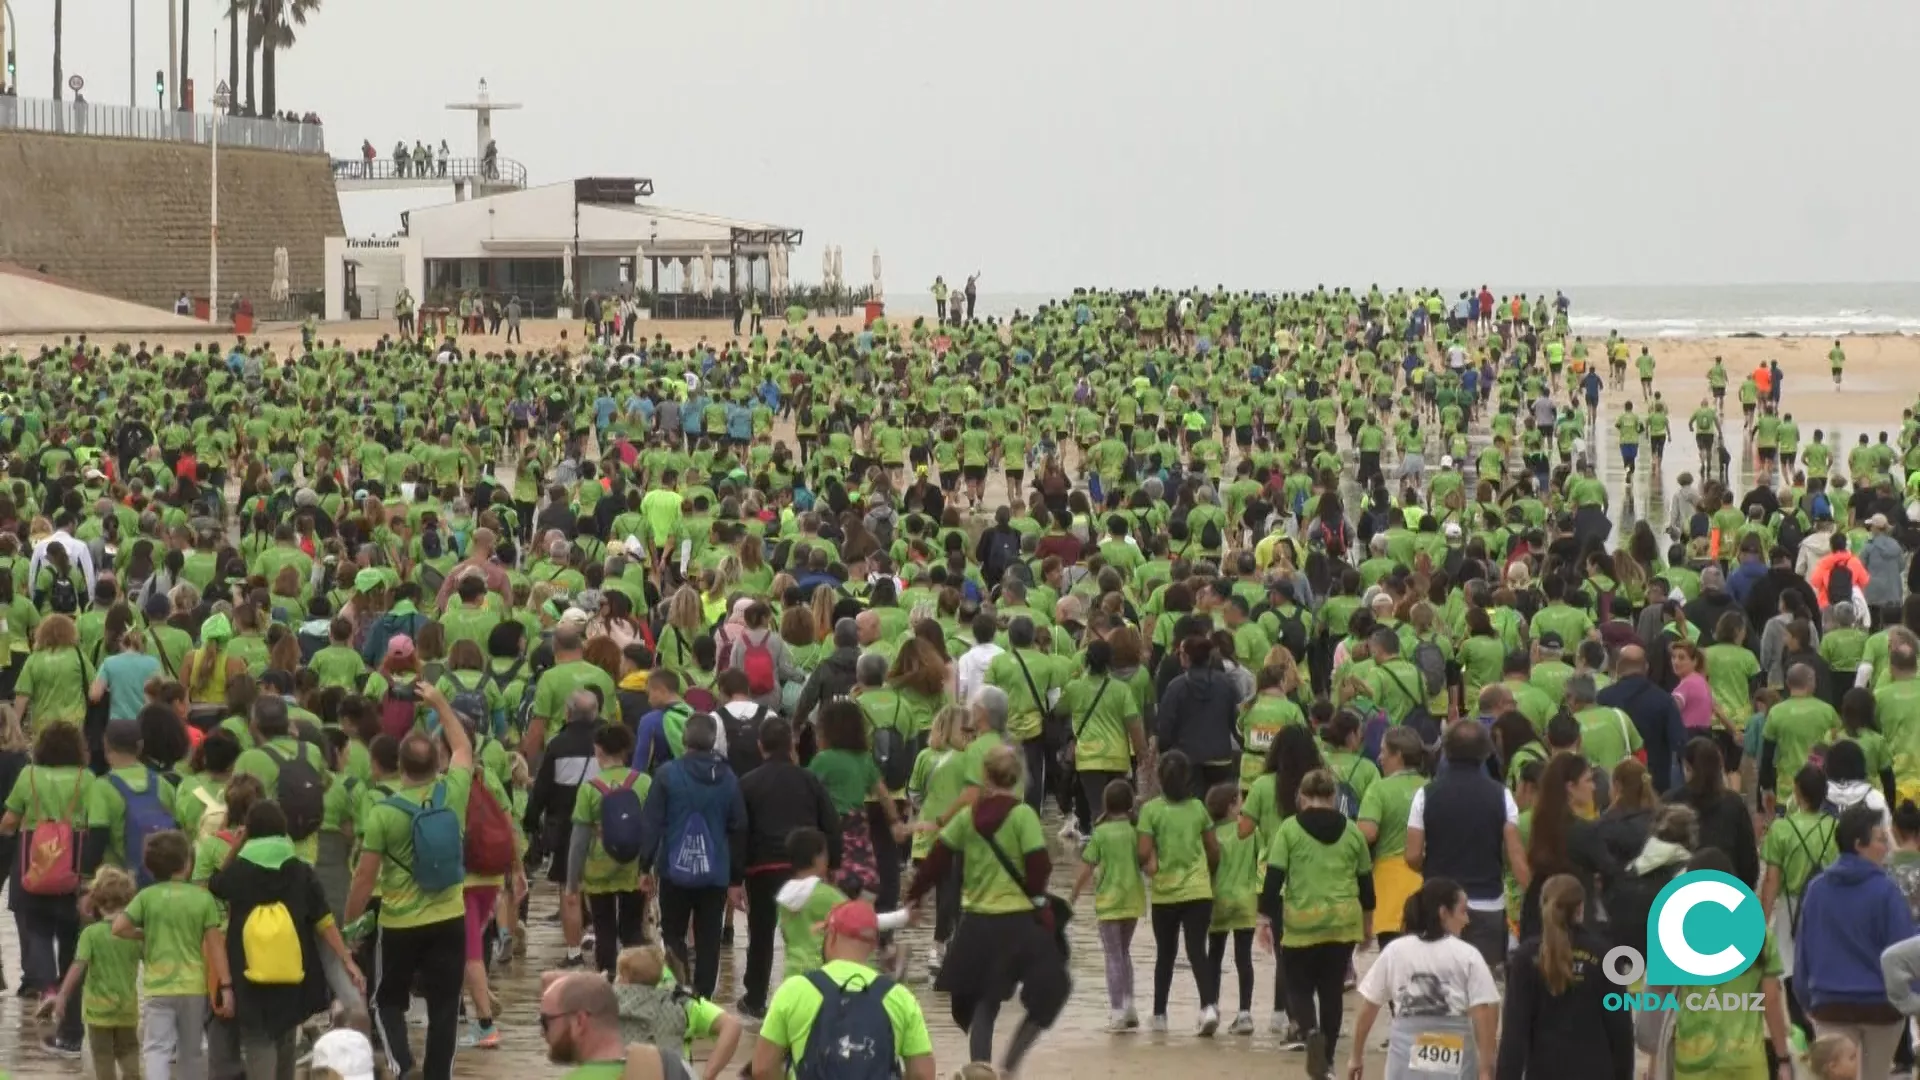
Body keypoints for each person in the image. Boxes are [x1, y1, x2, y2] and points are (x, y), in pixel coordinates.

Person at [903, 743, 1067, 1074]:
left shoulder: (968, 818)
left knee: (982, 1000)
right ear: (1017, 776)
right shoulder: (1024, 816)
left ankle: (981, 1068)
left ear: (985, 775)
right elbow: (1039, 865)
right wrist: (1037, 897)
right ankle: (1009, 1066)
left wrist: (914, 896)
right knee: (1053, 990)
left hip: (977, 924)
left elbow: (937, 860)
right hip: (1020, 923)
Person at [343, 681, 473, 1080]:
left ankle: (401, 1065)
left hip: (399, 922)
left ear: (398, 768)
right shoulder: (452, 791)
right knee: (445, 1006)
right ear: (438, 763)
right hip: (450, 916)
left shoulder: (383, 812)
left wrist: (350, 925)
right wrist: (439, 702)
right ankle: (439, 1075)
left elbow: (365, 876)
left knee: (386, 1000)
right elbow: (464, 747)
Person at [209, 799, 366, 1078]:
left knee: (259, 1038)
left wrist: (236, 845)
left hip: (248, 969)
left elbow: (216, 884)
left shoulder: (240, 873)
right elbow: (324, 921)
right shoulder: (301, 871)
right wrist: (346, 960)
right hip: (293, 968)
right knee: (286, 1033)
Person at [1260, 767, 1373, 1078]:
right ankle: (1330, 1061)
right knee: (1331, 991)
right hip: (1342, 924)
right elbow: (1366, 885)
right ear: (1333, 797)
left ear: (1302, 797)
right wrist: (1367, 925)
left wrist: (1264, 920)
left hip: (1301, 924)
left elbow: (1273, 881)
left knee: (1298, 986)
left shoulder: (1289, 829)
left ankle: (1310, 1031)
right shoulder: (1352, 831)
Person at [750, 899, 936, 1080]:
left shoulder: (794, 990)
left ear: (831, 935)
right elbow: (923, 1074)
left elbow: (762, 1069)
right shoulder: (900, 997)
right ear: (872, 945)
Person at [1794, 804, 1913, 1080]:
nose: (1887, 847)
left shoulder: (1816, 890)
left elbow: (1804, 952)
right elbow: (1905, 954)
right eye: (1881, 840)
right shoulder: (1887, 892)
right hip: (1882, 1007)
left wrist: (1807, 1000)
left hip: (1829, 1004)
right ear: (1860, 844)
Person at [1348, 877, 1502, 1080]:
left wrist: (1356, 1057)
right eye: (1463, 911)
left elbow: (1369, 1006)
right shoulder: (1467, 955)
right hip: (1455, 1054)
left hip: (1404, 1053)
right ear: (1443, 913)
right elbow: (1485, 1010)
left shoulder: (1396, 951)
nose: (1467, 920)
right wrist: (1485, 1068)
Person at [1405, 720, 1528, 972]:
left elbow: (1413, 854)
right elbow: (1514, 853)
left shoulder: (1425, 794)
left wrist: (1428, 867)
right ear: (1486, 752)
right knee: (1479, 980)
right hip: (1488, 902)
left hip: (1438, 903)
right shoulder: (1501, 795)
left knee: (1438, 976)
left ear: (1446, 751)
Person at [641, 711, 746, 1000]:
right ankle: (703, 997)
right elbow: (739, 827)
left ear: (684, 739)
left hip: (674, 871)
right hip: (716, 873)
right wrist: (736, 878)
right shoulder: (728, 777)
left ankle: (680, 991)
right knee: (709, 937)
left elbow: (652, 823)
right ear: (713, 741)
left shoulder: (667, 774)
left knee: (673, 933)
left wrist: (644, 866)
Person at [112, 828, 228, 1080]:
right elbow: (216, 945)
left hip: (158, 986)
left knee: (156, 1048)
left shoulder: (146, 897)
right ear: (187, 864)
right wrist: (225, 985)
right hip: (193, 987)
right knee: (191, 1051)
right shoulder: (202, 899)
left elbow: (119, 927)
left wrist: (144, 934)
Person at [1495, 873, 1633, 1080]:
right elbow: (1621, 1028)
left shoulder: (1526, 957)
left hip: (1544, 1071)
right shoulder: (1606, 955)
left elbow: (1514, 1032)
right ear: (1581, 908)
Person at [1138, 750, 1222, 1034]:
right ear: (1188, 778)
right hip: (1198, 891)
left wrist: (1150, 863)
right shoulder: (1199, 808)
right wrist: (1208, 874)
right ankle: (1208, 1007)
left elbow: (1143, 852)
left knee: (1165, 953)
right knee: (1198, 950)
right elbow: (1213, 849)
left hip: (1165, 894)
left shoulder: (1150, 811)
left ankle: (1160, 1015)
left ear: (1160, 779)